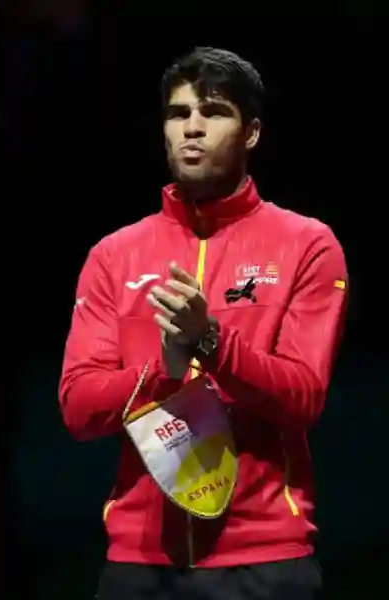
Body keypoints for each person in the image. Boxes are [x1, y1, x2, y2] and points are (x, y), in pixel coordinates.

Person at [59, 47, 347, 600]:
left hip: (264, 558)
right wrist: (162, 373)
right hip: (140, 564)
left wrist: (209, 343)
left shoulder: (307, 245)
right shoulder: (112, 255)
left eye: (213, 112)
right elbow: (77, 406)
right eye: (178, 113)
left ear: (252, 133)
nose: (192, 127)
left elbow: (304, 397)